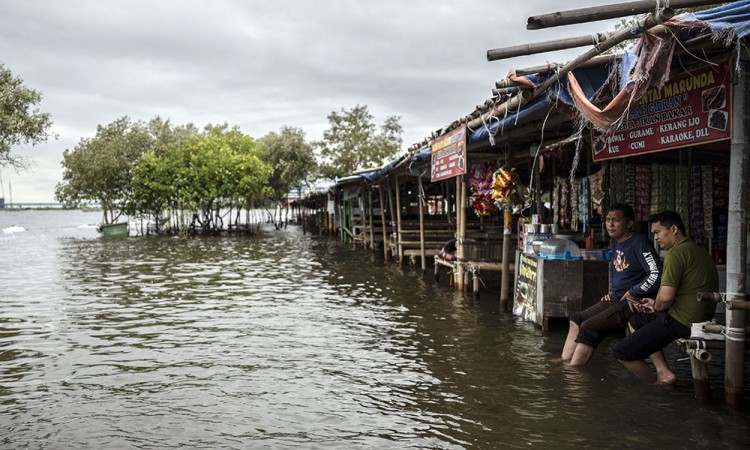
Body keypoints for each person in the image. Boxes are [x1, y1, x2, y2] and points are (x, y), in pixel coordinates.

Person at [613, 210, 718, 384]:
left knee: (621, 352)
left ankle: (657, 387)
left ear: (674, 229)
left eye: (657, 232)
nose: (655, 238)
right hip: (700, 318)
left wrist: (656, 306)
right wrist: (655, 303)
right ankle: (664, 372)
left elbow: (666, 298)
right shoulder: (698, 250)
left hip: (682, 322)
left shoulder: (675, 254)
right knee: (637, 321)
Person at [561, 203, 661, 365]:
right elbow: (616, 269)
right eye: (608, 220)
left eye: (616, 220)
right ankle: (564, 361)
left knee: (589, 327)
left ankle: (573, 374)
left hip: (633, 302)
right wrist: (611, 290)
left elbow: (656, 274)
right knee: (576, 319)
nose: (610, 224)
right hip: (615, 298)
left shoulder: (640, 243)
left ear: (629, 224)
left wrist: (635, 291)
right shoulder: (616, 242)